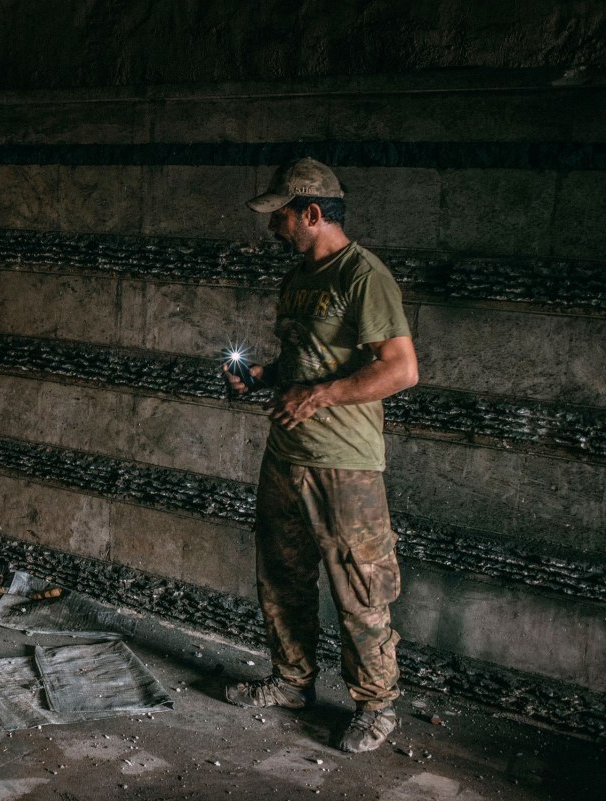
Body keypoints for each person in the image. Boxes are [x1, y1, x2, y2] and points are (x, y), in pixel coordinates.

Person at [223, 157, 419, 754]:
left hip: (345, 463)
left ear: (312, 212)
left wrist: (317, 396)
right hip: (286, 456)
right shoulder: (299, 276)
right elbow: (308, 358)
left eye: (281, 216)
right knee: (281, 577)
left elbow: (401, 369)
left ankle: (377, 705)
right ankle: (291, 682)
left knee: (360, 586)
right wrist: (265, 375)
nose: (274, 227)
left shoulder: (364, 276)